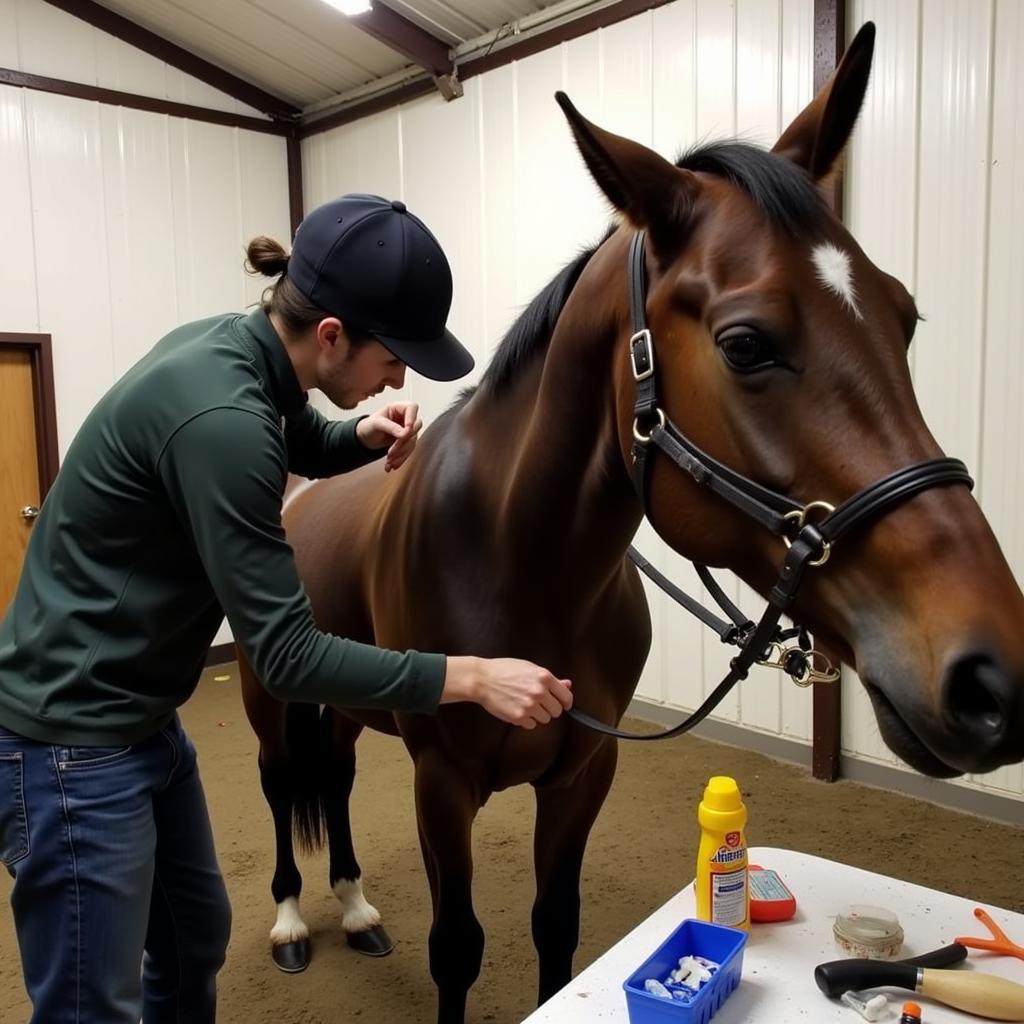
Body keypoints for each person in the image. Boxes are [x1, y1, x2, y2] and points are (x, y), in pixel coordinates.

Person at [0, 193, 574, 1024]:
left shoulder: (234, 349)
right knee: (92, 1004)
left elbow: (295, 432)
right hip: (70, 745)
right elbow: (291, 658)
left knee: (195, 941)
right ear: (331, 334)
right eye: (392, 358)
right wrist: (471, 676)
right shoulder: (223, 420)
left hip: (142, 720)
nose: (400, 379)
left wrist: (357, 436)